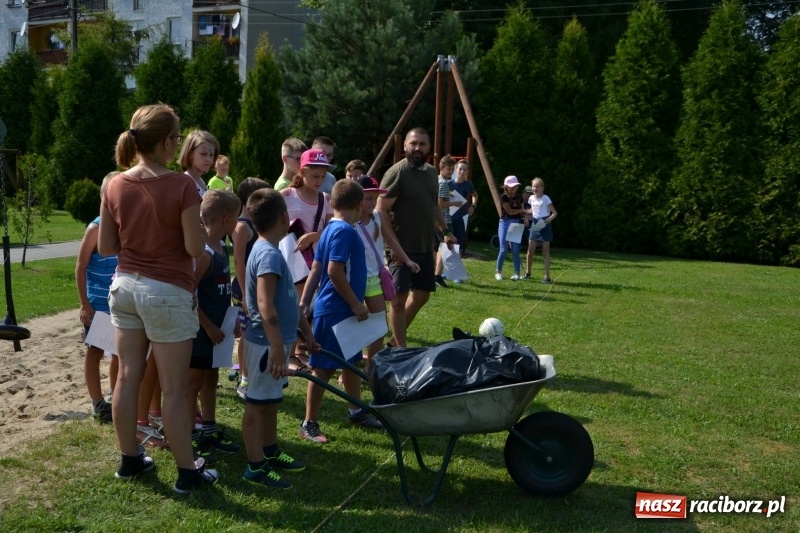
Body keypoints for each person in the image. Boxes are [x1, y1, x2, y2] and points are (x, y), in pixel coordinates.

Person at [100, 104, 217, 493]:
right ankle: (188, 472)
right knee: (174, 387)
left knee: (128, 377)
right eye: (178, 137)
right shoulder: (182, 185)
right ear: (166, 143)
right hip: (166, 291)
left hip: (125, 288)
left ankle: (130, 459)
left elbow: (106, 246)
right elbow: (193, 247)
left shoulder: (113, 183)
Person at [241, 188, 316, 489]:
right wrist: (274, 345)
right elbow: (264, 303)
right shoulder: (268, 254)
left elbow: (289, 302)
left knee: (271, 400)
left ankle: (270, 450)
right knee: (257, 404)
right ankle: (255, 466)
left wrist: (306, 334)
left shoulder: (271, 249)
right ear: (284, 218)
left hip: (277, 343)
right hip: (264, 344)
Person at [298, 179, 382, 444]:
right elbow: (333, 271)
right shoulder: (345, 231)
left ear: (332, 203)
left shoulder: (329, 229)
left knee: (351, 361)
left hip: (338, 309)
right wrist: (356, 303)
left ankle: (356, 410)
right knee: (323, 369)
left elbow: (315, 269)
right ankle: (309, 422)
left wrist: (304, 301)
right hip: (336, 310)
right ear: (359, 205)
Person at [377, 127, 454, 348]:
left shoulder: (431, 173)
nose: (417, 148)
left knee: (422, 295)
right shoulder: (396, 173)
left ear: (429, 147)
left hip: (424, 245)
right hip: (400, 247)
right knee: (398, 300)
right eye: (413, 143)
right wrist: (394, 247)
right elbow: (381, 210)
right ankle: (401, 350)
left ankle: (393, 343)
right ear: (405, 146)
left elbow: (434, 205)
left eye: (422, 144)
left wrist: (445, 230)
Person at [189, 190, 242, 463]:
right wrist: (208, 326)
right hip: (200, 334)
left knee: (211, 380)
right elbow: (188, 293)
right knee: (193, 385)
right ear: (227, 219)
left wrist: (231, 321)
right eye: (237, 220)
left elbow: (220, 290)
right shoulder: (206, 253)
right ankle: (189, 435)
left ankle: (208, 429)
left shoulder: (222, 249)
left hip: (217, 334)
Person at [280, 148, 334, 371]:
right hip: (292, 261)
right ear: (302, 172)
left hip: (316, 261)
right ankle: (291, 355)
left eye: (322, 176)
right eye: (314, 176)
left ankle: (302, 349)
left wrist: (314, 236)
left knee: (309, 307)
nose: (319, 181)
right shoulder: (287, 195)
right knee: (295, 306)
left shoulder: (325, 199)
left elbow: (332, 230)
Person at [76, 171, 120, 423]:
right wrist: (84, 303)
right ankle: (97, 402)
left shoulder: (124, 225)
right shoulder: (96, 227)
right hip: (98, 304)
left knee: (118, 353)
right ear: (105, 196)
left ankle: (116, 398)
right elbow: (80, 265)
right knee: (95, 352)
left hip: (119, 303)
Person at [231, 178, 270, 400]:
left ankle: (254, 374)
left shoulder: (256, 223)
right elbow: (238, 262)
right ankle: (245, 377)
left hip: (257, 286)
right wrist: (246, 293)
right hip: (244, 287)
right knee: (246, 333)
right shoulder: (241, 226)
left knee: (257, 331)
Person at [352, 175, 394, 365]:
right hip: (354, 280)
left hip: (375, 279)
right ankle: (349, 367)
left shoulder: (377, 217)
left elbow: (389, 238)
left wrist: (407, 259)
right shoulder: (349, 222)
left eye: (375, 198)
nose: (373, 202)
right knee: (353, 326)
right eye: (368, 198)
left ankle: (371, 367)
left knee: (379, 326)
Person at [433, 155, 463, 288]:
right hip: (443, 219)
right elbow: (440, 203)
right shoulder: (444, 183)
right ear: (441, 168)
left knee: (436, 247)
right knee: (445, 246)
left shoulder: (437, 180)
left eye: (452, 169)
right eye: (449, 169)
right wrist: (455, 203)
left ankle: (432, 274)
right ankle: (437, 276)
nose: (451, 172)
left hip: (435, 219)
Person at [525, 177, 557, 284]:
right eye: (533, 186)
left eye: (537, 186)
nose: (535, 188)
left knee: (545, 251)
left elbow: (555, 213)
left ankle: (546, 277)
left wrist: (549, 219)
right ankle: (528, 273)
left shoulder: (546, 198)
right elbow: (531, 210)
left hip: (545, 224)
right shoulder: (531, 198)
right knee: (530, 250)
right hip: (535, 224)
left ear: (542, 188)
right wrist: (525, 215)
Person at [495, 176, 526, 281]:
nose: (514, 188)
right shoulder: (503, 197)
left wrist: (525, 216)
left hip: (516, 223)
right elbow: (510, 211)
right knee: (503, 249)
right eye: (512, 186)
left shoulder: (519, 196)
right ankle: (498, 272)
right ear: (506, 186)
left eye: (516, 186)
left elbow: (522, 210)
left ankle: (516, 273)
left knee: (515, 250)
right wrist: (523, 210)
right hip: (505, 223)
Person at [449, 159, 478, 258]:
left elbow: (475, 195)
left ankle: (455, 270)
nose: (462, 171)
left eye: (465, 170)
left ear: (467, 172)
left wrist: (473, 206)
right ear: (456, 169)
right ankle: (443, 270)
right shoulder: (449, 184)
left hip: (462, 218)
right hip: (449, 218)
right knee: (448, 243)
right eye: (460, 169)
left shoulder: (468, 184)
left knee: (459, 244)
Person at [179, 130, 220, 197]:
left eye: (211, 155)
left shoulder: (200, 181)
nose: (208, 159)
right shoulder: (185, 183)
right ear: (190, 154)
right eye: (203, 154)